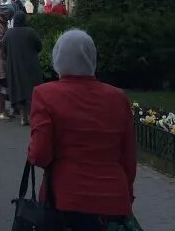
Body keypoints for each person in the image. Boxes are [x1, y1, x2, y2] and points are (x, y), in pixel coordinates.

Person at [28, 30, 136, 229]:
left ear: (58, 57)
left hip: (66, 199)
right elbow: (128, 156)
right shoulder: (118, 97)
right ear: (92, 57)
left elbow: (40, 155)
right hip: (113, 200)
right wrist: (127, 193)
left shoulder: (45, 94)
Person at [2, 9, 43, 125]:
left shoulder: (9, 33)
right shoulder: (31, 32)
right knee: (32, 90)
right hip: (31, 66)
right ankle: (31, 115)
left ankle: (23, 117)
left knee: (18, 90)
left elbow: (3, 49)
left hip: (15, 66)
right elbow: (39, 46)